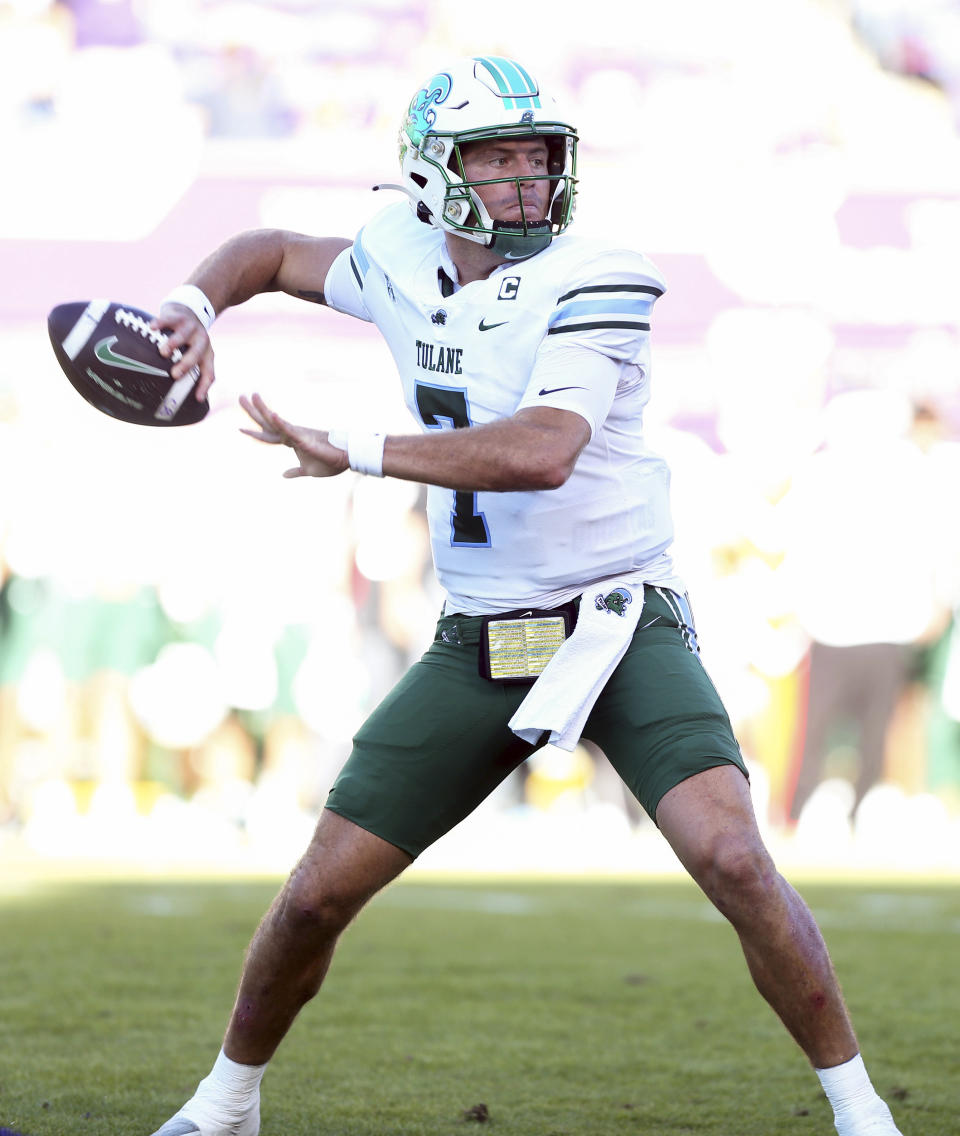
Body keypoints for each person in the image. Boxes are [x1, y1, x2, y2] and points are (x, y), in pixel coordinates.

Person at [147, 56, 905, 1136]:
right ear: (433, 174)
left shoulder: (599, 271)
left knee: (734, 853)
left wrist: (352, 447)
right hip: (482, 635)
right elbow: (266, 251)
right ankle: (227, 1099)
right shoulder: (398, 255)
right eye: (495, 156)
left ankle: (862, 1109)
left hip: (614, 617)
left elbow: (544, 452)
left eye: (536, 154)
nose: (524, 176)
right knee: (317, 890)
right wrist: (191, 304)